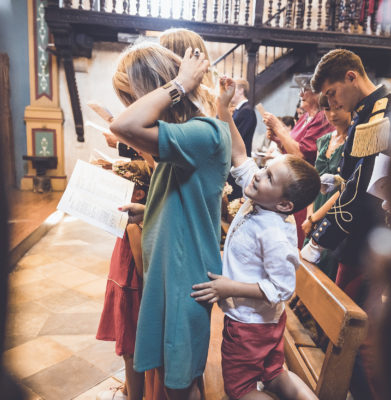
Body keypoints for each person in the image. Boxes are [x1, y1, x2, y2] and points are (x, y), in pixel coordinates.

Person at [109, 42, 231, 400]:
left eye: (134, 97)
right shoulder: (185, 136)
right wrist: (149, 212)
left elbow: (124, 126)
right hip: (167, 275)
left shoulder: (204, 132)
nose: (133, 107)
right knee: (168, 377)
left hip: (184, 279)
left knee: (180, 387)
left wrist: (180, 83)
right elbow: (188, 199)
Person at [191, 77, 319, 400]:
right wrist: (224, 109)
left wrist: (227, 287)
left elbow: (280, 288)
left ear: (285, 204)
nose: (259, 174)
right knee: (275, 374)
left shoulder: (275, 231)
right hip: (265, 326)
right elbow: (240, 155)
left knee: (241, 389)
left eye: (269, 176)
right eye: (264, 168)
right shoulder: (262, 198)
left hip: (250, 325)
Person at [301, 49, 391, 399]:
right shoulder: (367, 112)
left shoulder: (387, 115)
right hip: (360, 237)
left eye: (332, 94)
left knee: (359, 337)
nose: (332, 102)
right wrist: (337, 179)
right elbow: (356, 177)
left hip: (371, 242)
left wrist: (319, 240)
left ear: (351, 76)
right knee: (346, 334)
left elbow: (367, 197)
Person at [96, 161, 153, 400]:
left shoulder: (134, 224)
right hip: (121, 283)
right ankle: (129, 389)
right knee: (127, 346)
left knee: (130, 350)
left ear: (138, 194)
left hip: (130, 289)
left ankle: (134, 396)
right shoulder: (130, 217)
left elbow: (142, 269)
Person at [263, 75, 333, 248]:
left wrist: (279, 127)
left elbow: (301, 154)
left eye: (305, 89)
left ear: (317, 94)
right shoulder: (306, 117)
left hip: (305, 184)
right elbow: (290, 148)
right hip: (292, 181)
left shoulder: (322, 118)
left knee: (297, 239)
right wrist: (279, 140)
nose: (301, 93)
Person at [301, 93, 351, 280]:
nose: (332, 114)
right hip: (314, 209)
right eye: (327, 108)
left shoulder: (353, 143)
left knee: (326, 264)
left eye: (338, 107)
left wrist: (315, 218)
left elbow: (345, 189)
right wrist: (309, 215)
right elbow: (314, 181)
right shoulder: (324, 140)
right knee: (307, 263)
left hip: (334, 211)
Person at [227, 78, 257, 200]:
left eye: (232, 89)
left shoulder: (247, 111)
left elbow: (236, 137)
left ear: (240, 90)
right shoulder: (238, 110)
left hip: (238, 159)